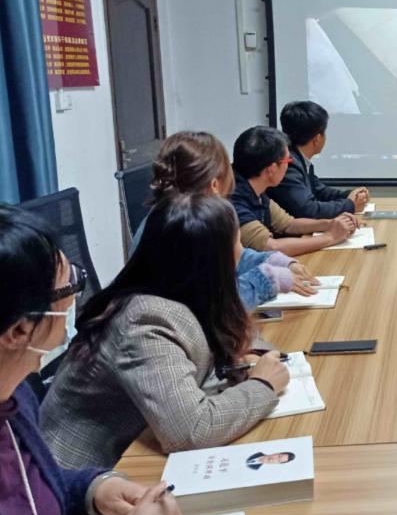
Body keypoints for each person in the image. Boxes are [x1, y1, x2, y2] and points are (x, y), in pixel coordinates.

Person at [39, 195, 289, 469]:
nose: (242, 253)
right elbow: (192, 429)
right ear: (214, 262)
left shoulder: (181, 288)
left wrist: (248, 354)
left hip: (139, 445)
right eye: (237, 243)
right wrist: (263, 385)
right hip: (84, 477)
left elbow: (230, 329)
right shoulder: (145, 319)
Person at [0, 204, 183, 515]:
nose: (74, 299)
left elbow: (36, 492)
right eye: (70, 284)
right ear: (19, 330)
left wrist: (96, 489)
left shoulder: (15, 394)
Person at [132, 131, 320, 310]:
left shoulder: (179, 215)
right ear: (214, 185)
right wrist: (268, 280)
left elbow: (235, 257)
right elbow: (214, 305)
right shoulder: (185, 227)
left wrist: (275, 261)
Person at [231, 126, 359, 255]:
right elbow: (270, 247)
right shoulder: (233, 199)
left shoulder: (255, 188)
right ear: (272, 169)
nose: (289, 165)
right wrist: (330, 237)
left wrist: (330, 223)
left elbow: (288, 224)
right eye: (288, 160)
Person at [268, 100, 371, 218]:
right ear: (317, 139)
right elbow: (308, 210)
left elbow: (319, 191)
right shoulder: (288, 164)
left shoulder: (299, 159)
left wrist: (349, 195)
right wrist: (350, 205)